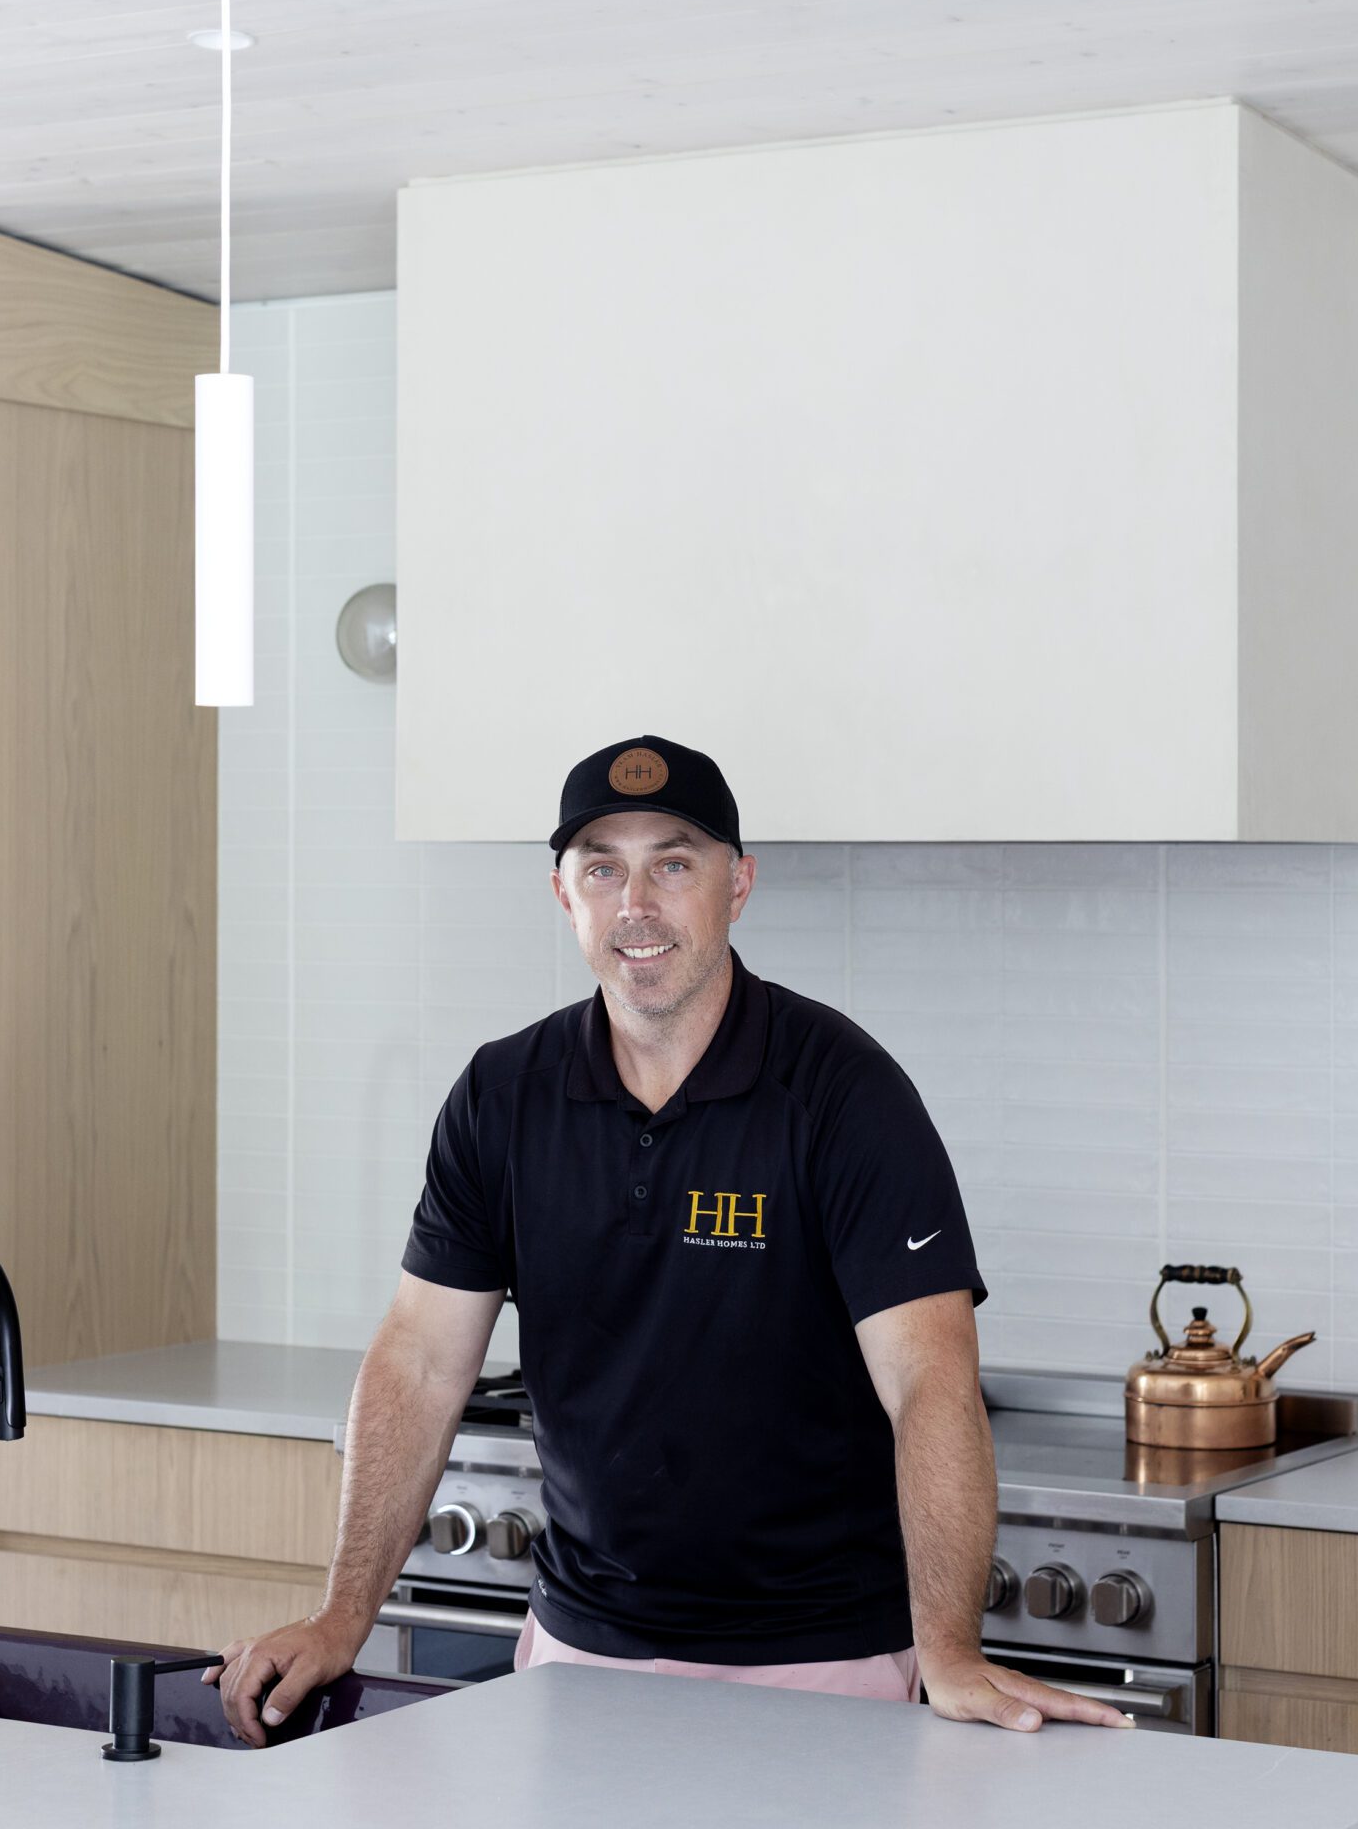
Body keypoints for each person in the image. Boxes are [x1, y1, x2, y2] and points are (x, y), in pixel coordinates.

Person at [207, 735, 1128, 1742]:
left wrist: (946, 1650)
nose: (634, 903)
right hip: (578, 1660)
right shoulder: (502, 1095)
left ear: (738, 884)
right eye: (602, 866)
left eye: (673, 862)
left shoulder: (841, 1093)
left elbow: (931, 1381)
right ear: (564, 894)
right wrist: (344, 1614)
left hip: (819, 1665)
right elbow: (420, 1359)